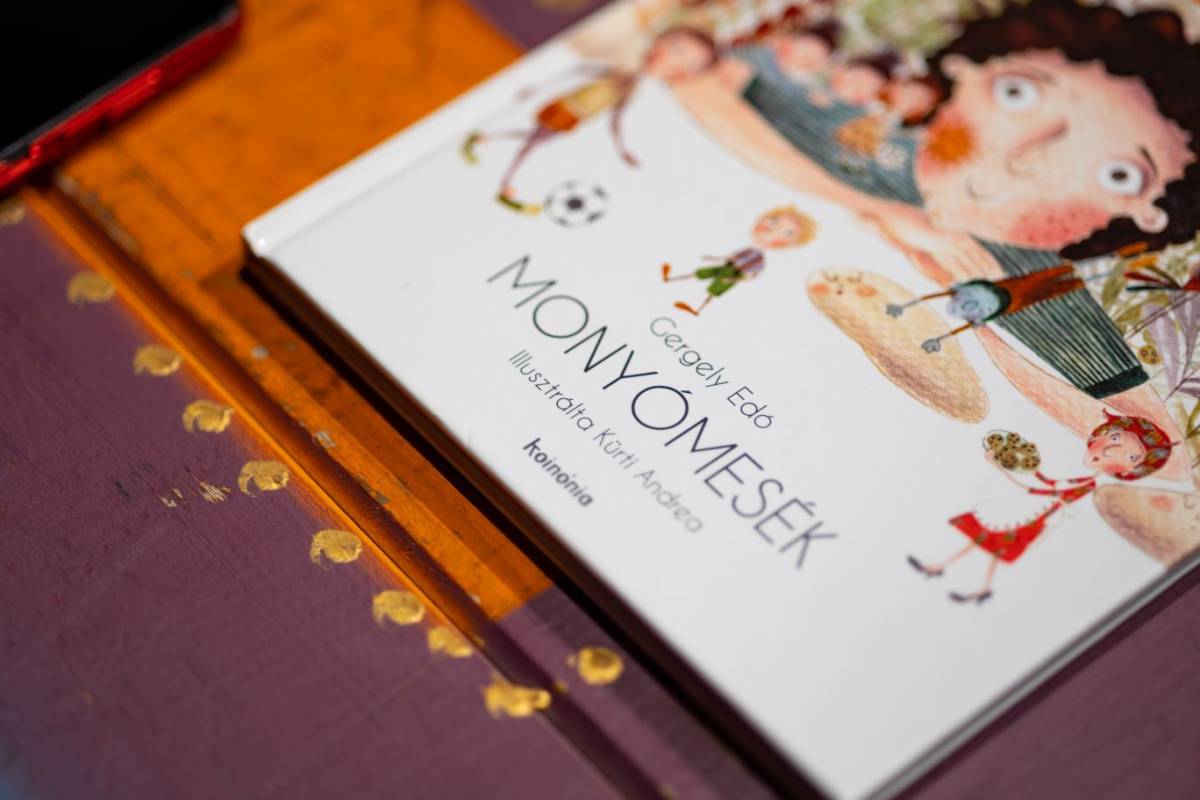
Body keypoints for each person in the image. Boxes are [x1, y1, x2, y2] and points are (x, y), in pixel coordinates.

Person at [673, 0, 1200, 401]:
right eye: (1018, 94)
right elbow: (698, 84)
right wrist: (882, 210)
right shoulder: (871, 124)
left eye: (1117, 173)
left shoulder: (1046, 288)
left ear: (1147, 213)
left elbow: (1133, 426)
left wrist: (982, 328)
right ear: (966, 72)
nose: (1025, 156)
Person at [908, 412, 1175, 604]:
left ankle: (970, 581)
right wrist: (1016, 467)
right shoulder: (1082, 479)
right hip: (1035, 511)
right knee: (985, 542)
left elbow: (1037, 489)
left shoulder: (1088, 484)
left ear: (1130, 470)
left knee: (989, 543)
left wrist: (1000, 467)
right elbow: (1043, 484)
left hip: (1034, 516)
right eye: (1114, 437)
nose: (1109, 451)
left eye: (1130, 456)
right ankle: (950, 571)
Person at [461, 27, 720, 213]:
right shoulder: (623, 63)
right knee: (533, 140)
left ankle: (488, 143)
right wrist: (537, 86)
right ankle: (505, 182)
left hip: (577, 115)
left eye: (686, 63)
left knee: (534, 138)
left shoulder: (636, 88)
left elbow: (616, 119)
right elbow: (580, 70)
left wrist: (621, 149)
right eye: (675, 49)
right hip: (567, 105)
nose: (675, 62)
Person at [661, 205, 816, 315]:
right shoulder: (748, 248)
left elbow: (752, 275)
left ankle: (698, 309)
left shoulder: (760, 259)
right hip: (727, 266)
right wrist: (714, 258)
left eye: (787, 233)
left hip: (733, 274)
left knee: (714, 290)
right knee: (702, 273)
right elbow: (731, 256)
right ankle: (671, 279)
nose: (773, 229)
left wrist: (736, 279)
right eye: (774, 221)